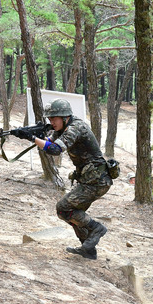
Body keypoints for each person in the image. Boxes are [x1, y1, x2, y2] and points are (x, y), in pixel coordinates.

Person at [29, 98, 112, 260]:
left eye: (54, 118)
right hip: (90, 180)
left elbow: (54, 149)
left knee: (63, 208)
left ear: (65, 117)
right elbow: (49, 142)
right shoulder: (62, 128)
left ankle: (97, 229)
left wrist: (33, 139)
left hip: (97, 180)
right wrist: (28, 136)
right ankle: (88, 249)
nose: (51, 122)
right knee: (71, 213)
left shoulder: (76, 128)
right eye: (49, 119)